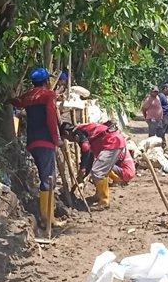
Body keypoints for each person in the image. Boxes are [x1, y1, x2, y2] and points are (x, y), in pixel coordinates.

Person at [10, 67, 63, 232]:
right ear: (47, 81)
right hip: (46, 141)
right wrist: (57, 139)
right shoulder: (48, 95)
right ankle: (47, 218)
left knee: (44, 177)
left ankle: (48, 216)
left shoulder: (28, 96)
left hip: (32, 141)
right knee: (49, 179)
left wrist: (8, 99)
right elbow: (51, 118)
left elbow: (16, 102)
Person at [59, 121, 129, 210]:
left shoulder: (78, 133)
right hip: (113, 141)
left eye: (67, 138)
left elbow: (86, 148)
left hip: (112, 142)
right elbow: (90, 156)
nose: (69, 140)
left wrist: (83, 169)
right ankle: (99, 195)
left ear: (67, 133)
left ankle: (104, 202)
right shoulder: (81, 130)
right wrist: (85, 172)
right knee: (100, 170)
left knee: (98, 171)